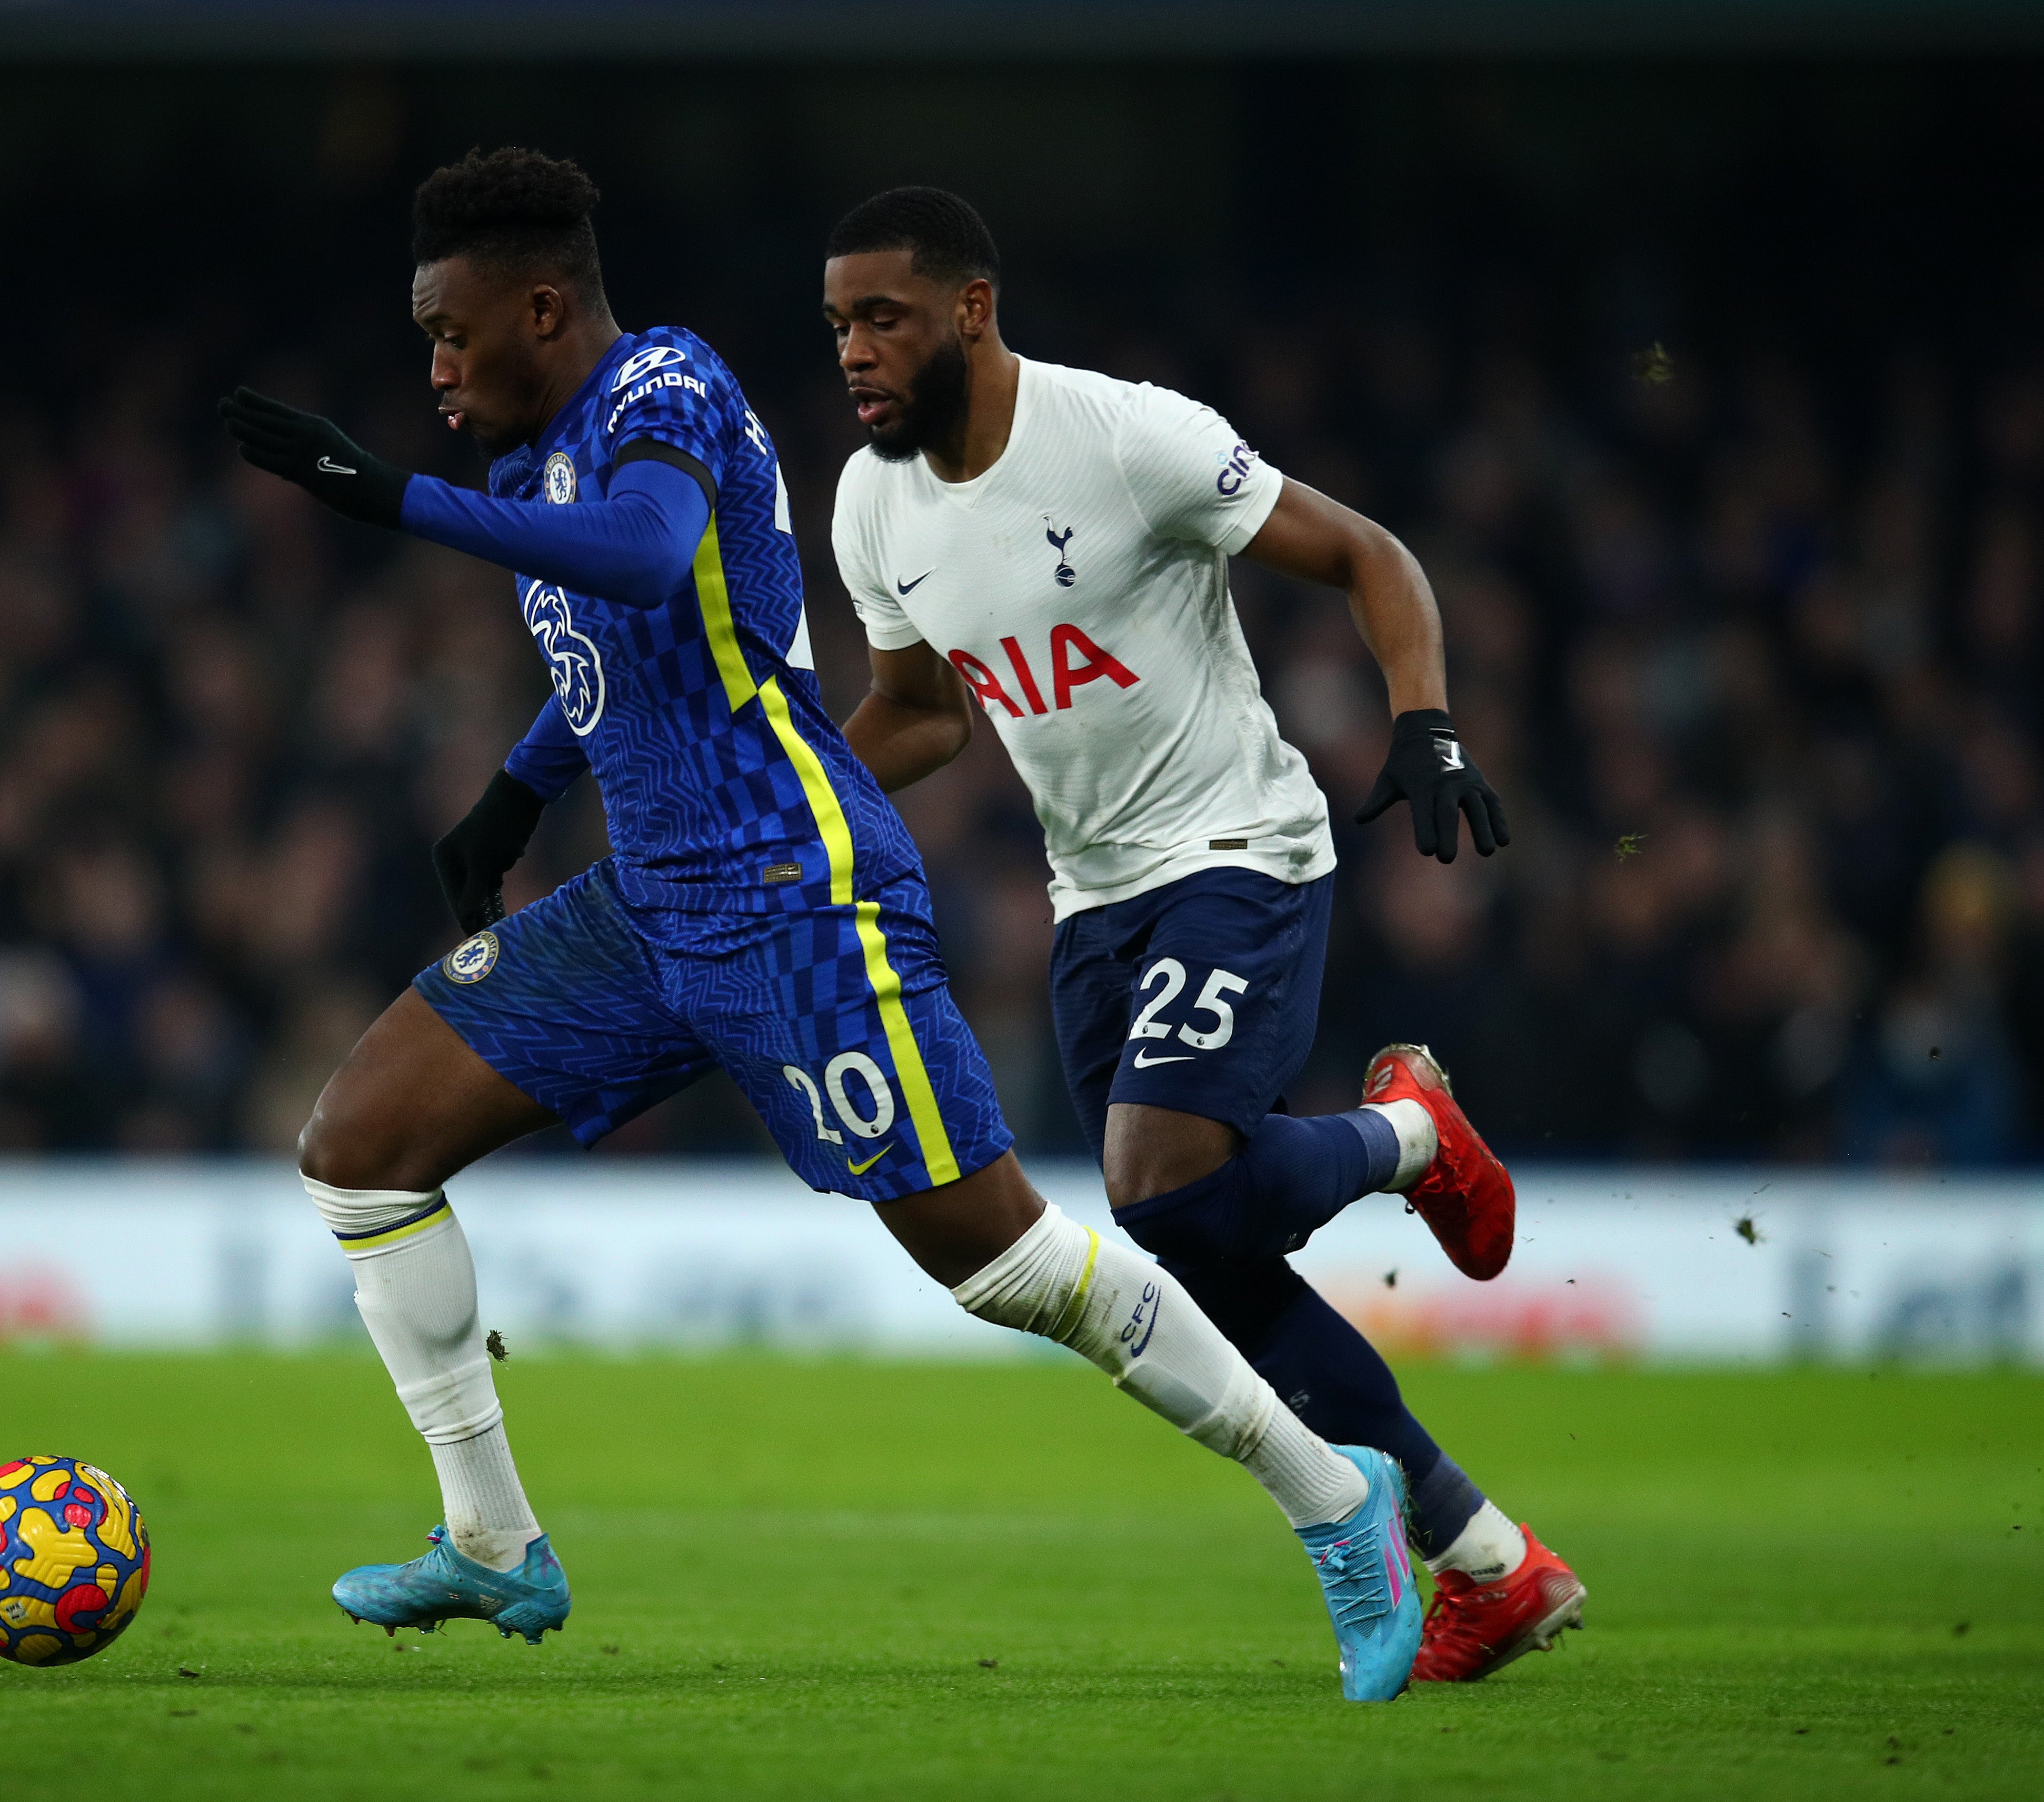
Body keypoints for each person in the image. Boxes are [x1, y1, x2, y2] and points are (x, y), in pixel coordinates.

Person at [217, 146, 1420, 1700]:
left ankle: (1337, 1499)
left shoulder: (665, 388)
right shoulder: (528, 461)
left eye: (453, 336)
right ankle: (494, 1540)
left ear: (541, 308)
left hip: (797, 893)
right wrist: (519, 792)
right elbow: (647, 649)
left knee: (1001, 1266)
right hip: (649, 901)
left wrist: (388, 498)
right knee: (359, 1147)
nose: (435, 370)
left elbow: (652, 553)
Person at [822, 187, 1584, 1684]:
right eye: (839, 322)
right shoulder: (871, 504)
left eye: (882, 317)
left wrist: (1423, 723)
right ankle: (1489, 1560)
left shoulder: (1125, 436)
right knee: (1200, 1250)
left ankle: (1405, 1136)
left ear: (970, 310)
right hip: (1094, 894)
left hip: (1241, 851)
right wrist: (798, 803)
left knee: (1154, 1180)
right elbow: (922, 713)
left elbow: (1371, 554)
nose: (854, 350)